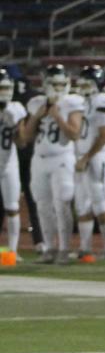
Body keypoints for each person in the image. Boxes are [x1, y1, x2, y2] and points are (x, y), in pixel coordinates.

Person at [18, 65, 84, 264]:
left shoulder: (73, 102)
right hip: (39, 159)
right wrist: (37, 116)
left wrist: (57, 117)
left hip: (62, 158)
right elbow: (25, 137)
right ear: (45, 84)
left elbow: (74, 134)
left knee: (62, 203)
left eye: (62, 83)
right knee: (42, 206)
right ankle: (50, 248)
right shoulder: (36, 103)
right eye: (54, 84)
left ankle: (64, 249)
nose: (58, 88)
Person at [70, 65, 105, 261]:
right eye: (82, 83)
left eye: (88, 83)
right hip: (81, 157)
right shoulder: (83, 102)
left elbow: (104, 135)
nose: (84, 87)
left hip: (95, 157)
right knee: (82, 205)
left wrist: (86, 157)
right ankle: (85, 248)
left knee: (99, 203)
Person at [0, 70, 26, 254]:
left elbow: (22, 142)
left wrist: (15, 126)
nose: (5, 91)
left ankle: (12, 250)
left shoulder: (16, 107)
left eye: (7, 87)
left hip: (9, 163)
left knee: (12, 206)